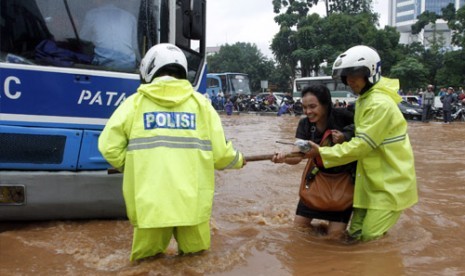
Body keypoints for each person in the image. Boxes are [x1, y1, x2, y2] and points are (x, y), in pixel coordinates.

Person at [98, 43, 246, 261]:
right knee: (196, 262)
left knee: (145, 264)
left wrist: (130, 166)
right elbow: (221, 154)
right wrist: (239, 160)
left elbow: (108, 147)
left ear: (149, 69)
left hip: (150, 204)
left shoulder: (134, 104)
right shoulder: (201, 105)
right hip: (193, 206)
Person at [304, 45, 418, 242]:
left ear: (370, 72)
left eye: (354, 75)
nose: (349, 81)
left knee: (369, 239)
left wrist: (322, 153)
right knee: (354, 235)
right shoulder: (365, 100)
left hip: (389, 186)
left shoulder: (379, 104)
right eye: (346, 76)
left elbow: (361, 146)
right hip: (369, 184)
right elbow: (357, 134)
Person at [272, 84, 355, 238]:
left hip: (344, 183)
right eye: (304, 107)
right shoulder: (304, 124)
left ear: (325, 104)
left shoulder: (345, 117)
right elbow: (298, 155)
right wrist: (284, 157)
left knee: (334, 238)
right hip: (315, 180)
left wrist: (345, 136)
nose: (308, 112)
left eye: (312, 106)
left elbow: (364, 134)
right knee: (298, 231)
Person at [79, 0, 139, 71]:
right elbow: (134, 47)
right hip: (128, 67)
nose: (93, 2)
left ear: (100, 1)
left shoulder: (92, 15)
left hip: (101, 66)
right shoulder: (130, 17)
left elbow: (83, 40)